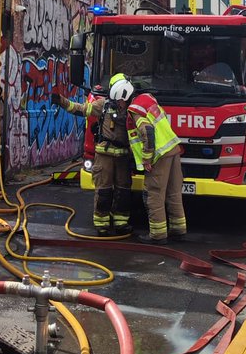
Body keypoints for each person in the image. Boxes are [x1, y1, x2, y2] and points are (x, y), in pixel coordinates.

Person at [109, 72, 187, 243]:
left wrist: (146, 158)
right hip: (173, 150)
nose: (119, 105)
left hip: (159, 155)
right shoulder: (147, 99)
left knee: (154, 194)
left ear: (125, 95)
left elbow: (148, 132)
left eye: (120, 101)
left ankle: (158, 235)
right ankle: (178, 229)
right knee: (174, 192)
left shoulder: (134, 110)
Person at [51, 86, 132, 236]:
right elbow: (80, 109)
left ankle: (121, 223)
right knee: (103, 191)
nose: (121, 103)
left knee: (124, 191)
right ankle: (102, 225)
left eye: (123, 100)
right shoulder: (103, 105)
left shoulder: (133, 108)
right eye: (118, 100)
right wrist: (61, 101)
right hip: (104, 155)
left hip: (123, 157)